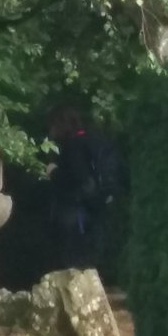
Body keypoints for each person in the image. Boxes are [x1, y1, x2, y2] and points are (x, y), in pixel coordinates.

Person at [45, 106, 123, 271]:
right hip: (97, 208)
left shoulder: (74, 146)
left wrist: (54, 173)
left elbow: (77, 178)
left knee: (74, 265)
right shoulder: (93, 141)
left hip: (76, 214)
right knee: (90, 262)